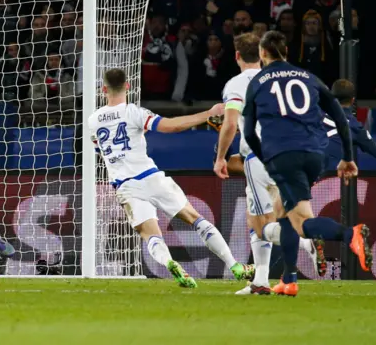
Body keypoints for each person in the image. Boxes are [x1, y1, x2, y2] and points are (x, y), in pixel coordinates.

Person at [88, 68, 255, 288]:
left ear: (103, 90)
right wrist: (208, 113)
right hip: (151, 177)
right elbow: (171, 125)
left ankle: (170, 263)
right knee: (195, 219)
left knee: (151, 235)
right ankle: (234, 266)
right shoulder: (134, 112)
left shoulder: (93, 120)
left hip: (125, 185)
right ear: (128, 86)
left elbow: (102, 150)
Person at [242, 31, 371, 296]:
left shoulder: (258, 81)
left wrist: (265, 157)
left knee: (301, 221)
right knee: (283, 212)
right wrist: (347, 157)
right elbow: (339, 116)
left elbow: (248, 133)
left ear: (263, 54)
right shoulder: (309, 77)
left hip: (283, 154)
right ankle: (288, 280)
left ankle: (350, 235)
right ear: (286, 51)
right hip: (315, 154)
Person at [213, 33, 325, 295]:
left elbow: (230, 124)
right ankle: (261, 280)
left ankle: (305, 242)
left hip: (259, 157)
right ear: (262, 54)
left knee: (259, 224)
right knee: (280, 213)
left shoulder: (237, 84)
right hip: (292, 152)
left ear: (237, 56)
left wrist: (220, 157)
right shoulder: (277, 78)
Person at [323, 79, 376, 167]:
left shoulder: (316, 114)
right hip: (332, 173)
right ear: (353, 100)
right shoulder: (355, 127)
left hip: (312, 169)